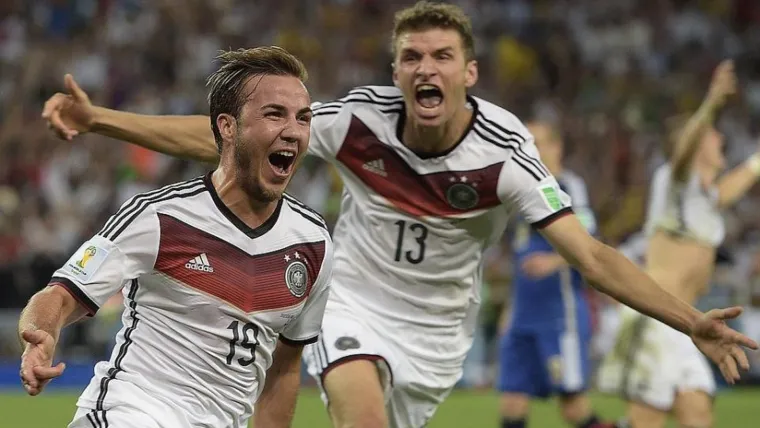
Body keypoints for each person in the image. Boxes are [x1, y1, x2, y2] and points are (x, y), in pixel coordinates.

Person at [42, 3, 757, 428]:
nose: (425, 68)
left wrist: (690, 320)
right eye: (411, 56)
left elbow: (594, 257)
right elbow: (225, 134)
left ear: (468, 73)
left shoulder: (506, 155)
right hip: (350, 297)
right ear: (396, 72)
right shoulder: (359, 121)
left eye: (442, 55)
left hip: (437, 334)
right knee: (358, 402)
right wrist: (102, 119)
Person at [20, 47, 334, 428]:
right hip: (130, 414)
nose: (292, 130)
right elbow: (62, 294)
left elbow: (283, 369)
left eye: (303, 118)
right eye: (274, 114)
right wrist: (42, 332)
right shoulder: (158, 217)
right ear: (227, 127)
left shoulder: (313, 243)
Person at [597, 60, 760, 428]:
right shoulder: (672, 180)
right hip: (655, 321)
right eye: (713, 134)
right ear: (698, 141)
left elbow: (732, 187)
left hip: (689, 326)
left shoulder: (703, 197)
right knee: (646, 422)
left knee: (698, 414)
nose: (721, 139)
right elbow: (685, 148)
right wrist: (713, 103)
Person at [497, 122, 613, 428]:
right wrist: (510, 311)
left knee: (573, 407)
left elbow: (590, 237)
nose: (531, 150)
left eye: (538, 142)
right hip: (523, 316)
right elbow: (521, 259)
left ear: (557, 146)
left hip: (560, 315)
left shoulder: (569, 185)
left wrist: (553, 261)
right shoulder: (519, 192)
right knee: (512, 404)